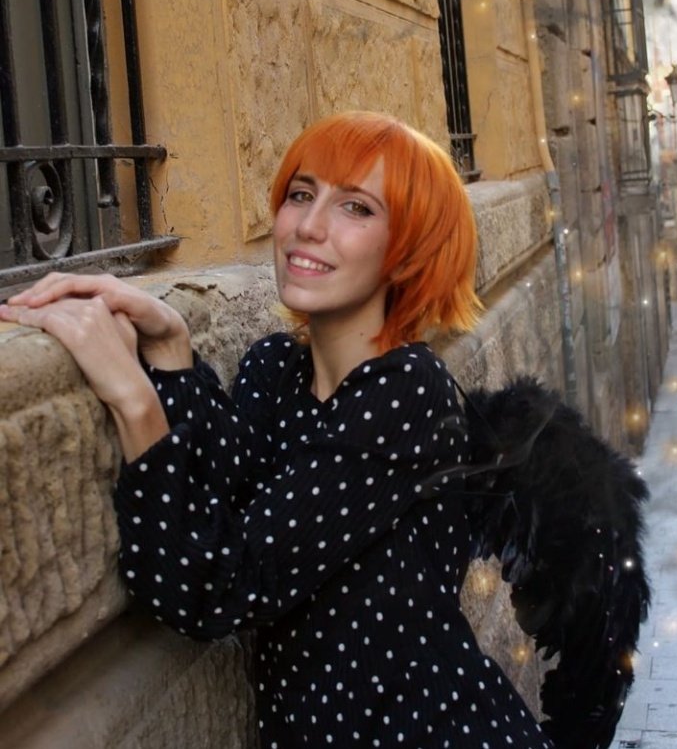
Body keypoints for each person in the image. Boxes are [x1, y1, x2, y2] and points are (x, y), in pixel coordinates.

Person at [0, 112, 557, 747]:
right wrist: (172, 349)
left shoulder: (407, 389)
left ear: (409, 250)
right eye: (300, 194)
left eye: (356, 207)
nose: (308, 226)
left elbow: (217, 586)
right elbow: (234, 488)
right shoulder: (276, 367)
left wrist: (133, 400)